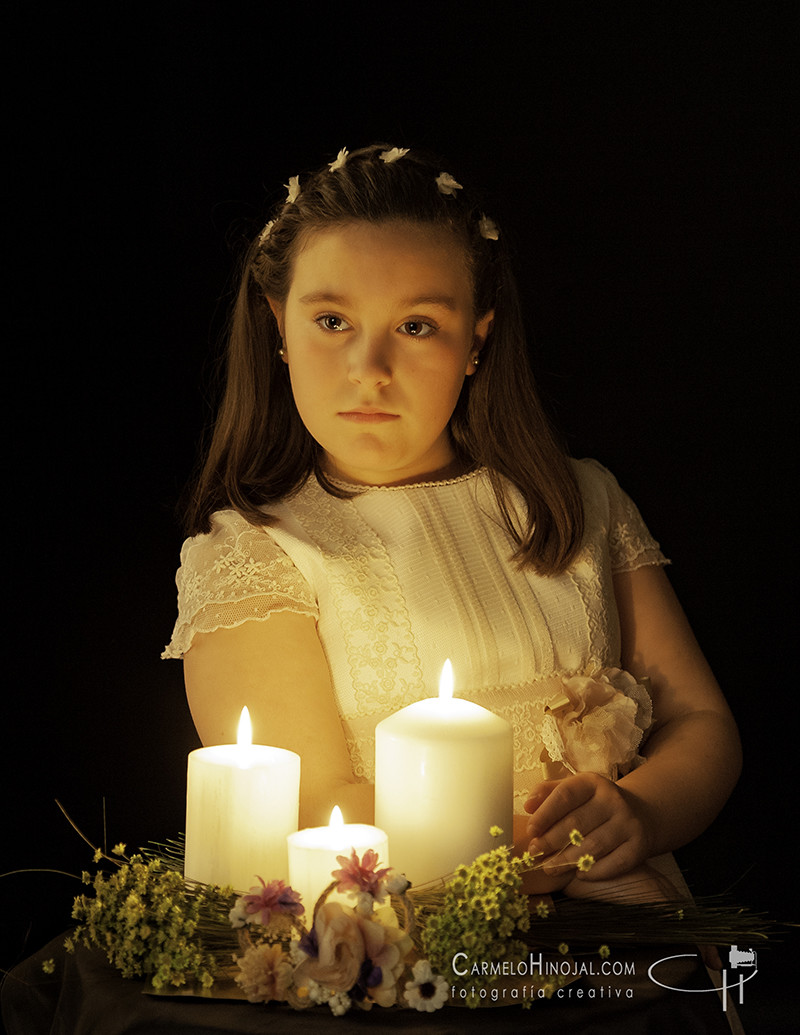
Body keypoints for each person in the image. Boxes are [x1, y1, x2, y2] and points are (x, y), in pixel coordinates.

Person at [163, 143, 741, 900]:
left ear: (477, 336)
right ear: (277, 324)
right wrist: (516, 846)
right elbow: (311, 799)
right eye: (333, 319)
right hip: (409, 945)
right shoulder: (258, 551)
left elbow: (699, 718)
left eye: (416, 327)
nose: (368, 367)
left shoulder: (579, 502)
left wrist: (638, 809)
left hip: (628, 918)